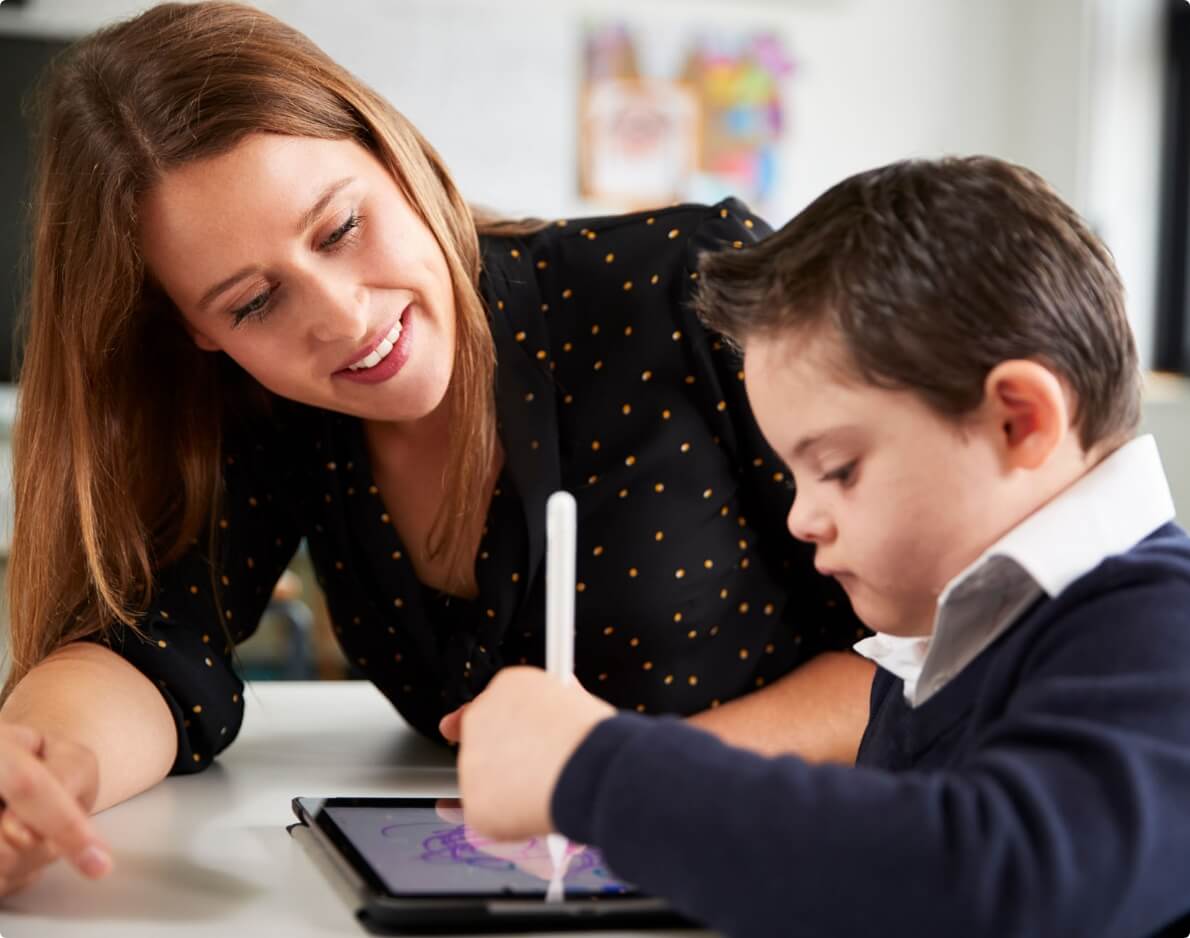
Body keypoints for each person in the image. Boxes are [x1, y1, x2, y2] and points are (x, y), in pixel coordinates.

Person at [0, 0, 872, 895]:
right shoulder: (266, 409)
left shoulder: (689, 286)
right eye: (253, 304)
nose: (344, 318)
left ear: (394, 154)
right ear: (196, 333)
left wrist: (622, 773)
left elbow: (940, 653)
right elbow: (151, 647)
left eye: (341, 228)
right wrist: (39, 762)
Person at [456, 156, 1190, 938]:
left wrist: (596, 769)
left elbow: (995, 879)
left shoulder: (1160, 632)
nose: (802, 517)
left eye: (837, 469)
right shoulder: (945, 648)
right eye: (795, 476)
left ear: (1019, 420)